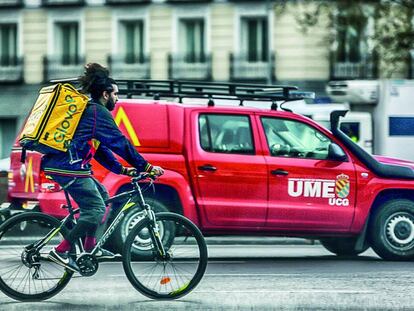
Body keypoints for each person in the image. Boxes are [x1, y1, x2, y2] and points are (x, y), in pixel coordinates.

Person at [44, 63, 164, 272]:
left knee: (102, 195)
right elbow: (121, 143)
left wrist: (122, 170)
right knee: (96, 208)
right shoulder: (98, 112)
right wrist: (146, 166)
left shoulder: (91, 111)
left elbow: (100, 149)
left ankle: (91, 247)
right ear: (105, 94)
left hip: (70, 166)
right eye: (115, 94)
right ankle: (60, 250)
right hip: (68, 167)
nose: (118, 99)